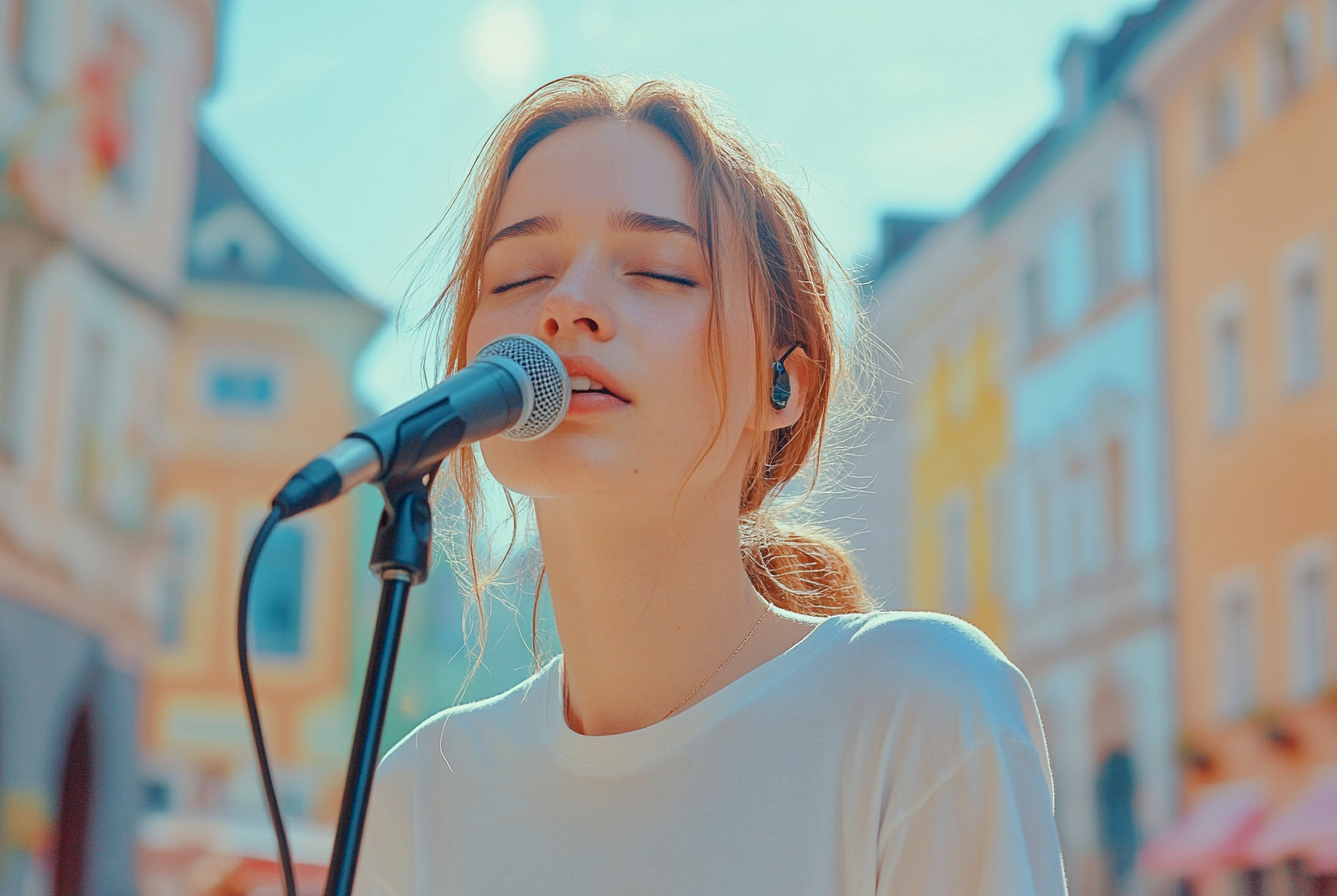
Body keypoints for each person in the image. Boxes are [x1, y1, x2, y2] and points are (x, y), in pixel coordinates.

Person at [356, 75, 1067, 895]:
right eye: (517, 277)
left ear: (783, 384)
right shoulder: (418, 797)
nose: (566, 305)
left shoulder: (920, 707)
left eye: (659, 271)